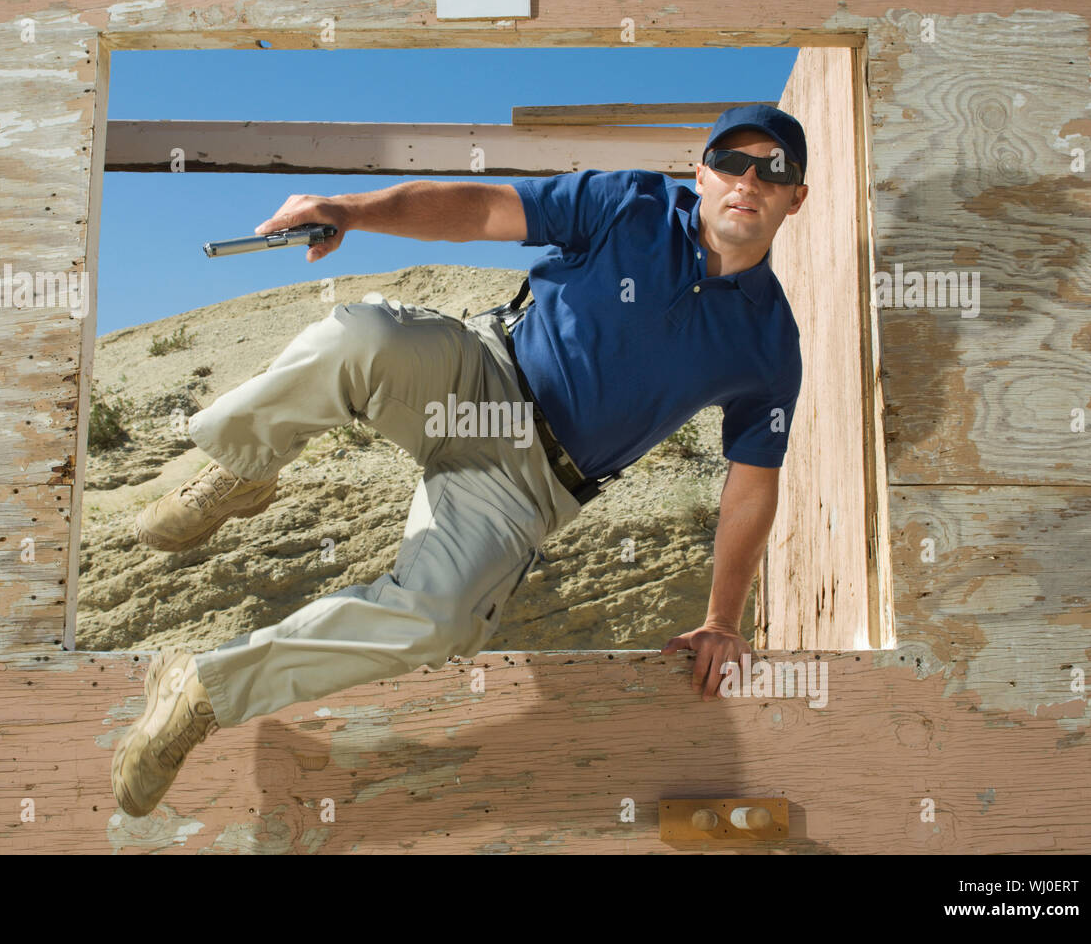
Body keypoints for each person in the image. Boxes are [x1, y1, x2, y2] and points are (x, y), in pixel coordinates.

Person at [111, 104, 809, 817]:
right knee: (363, 337)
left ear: (795, 196)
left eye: (773, 168)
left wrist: (723, 617)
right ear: (702, 173)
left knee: (443, 617)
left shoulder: (770, 346)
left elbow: (751, 484)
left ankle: (199, 690)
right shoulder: (628, 203)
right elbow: (478, 209)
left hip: (529, 485)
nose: (748, 179)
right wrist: (347, 209)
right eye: (731, 161)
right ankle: (242, 469)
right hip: (477, 375)